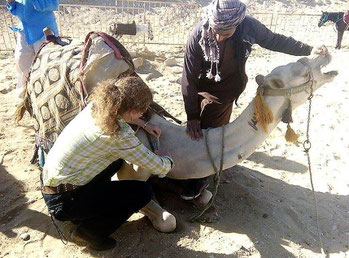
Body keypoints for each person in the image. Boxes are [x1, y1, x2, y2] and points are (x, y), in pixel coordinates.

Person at [180, 0, 328, 200]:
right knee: (201, 125)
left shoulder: (248, 26)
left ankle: (203, 172)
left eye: (226, 33)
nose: (219, 37)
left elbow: (275, 40)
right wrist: (192, 117)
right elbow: (188, 78)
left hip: (230, 87)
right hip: (203, 86)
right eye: (216, 31)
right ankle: (199, 168)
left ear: (237, 24)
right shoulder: (198, 36)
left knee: (215, 125)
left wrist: (308, 49)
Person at [41, 76, 173, 251]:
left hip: (52, 185)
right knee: (142, 192)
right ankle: (89, 233)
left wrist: (144, 123)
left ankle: (90, 209)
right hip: (64, 202)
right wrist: (167, 160)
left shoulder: (97, 107)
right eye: (142, 111)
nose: (143, 113)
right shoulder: (119, 135)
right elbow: (158, 166)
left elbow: (126, 116)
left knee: (116, 162)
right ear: (133, 110)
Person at [6, 0, 59, 98]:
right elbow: (16, 9)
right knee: (21, 60)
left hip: (45, 31)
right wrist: (11, 2)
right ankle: (24, 95)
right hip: (25, 31)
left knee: (45, 63)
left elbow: (53, 5)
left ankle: (47, 94)